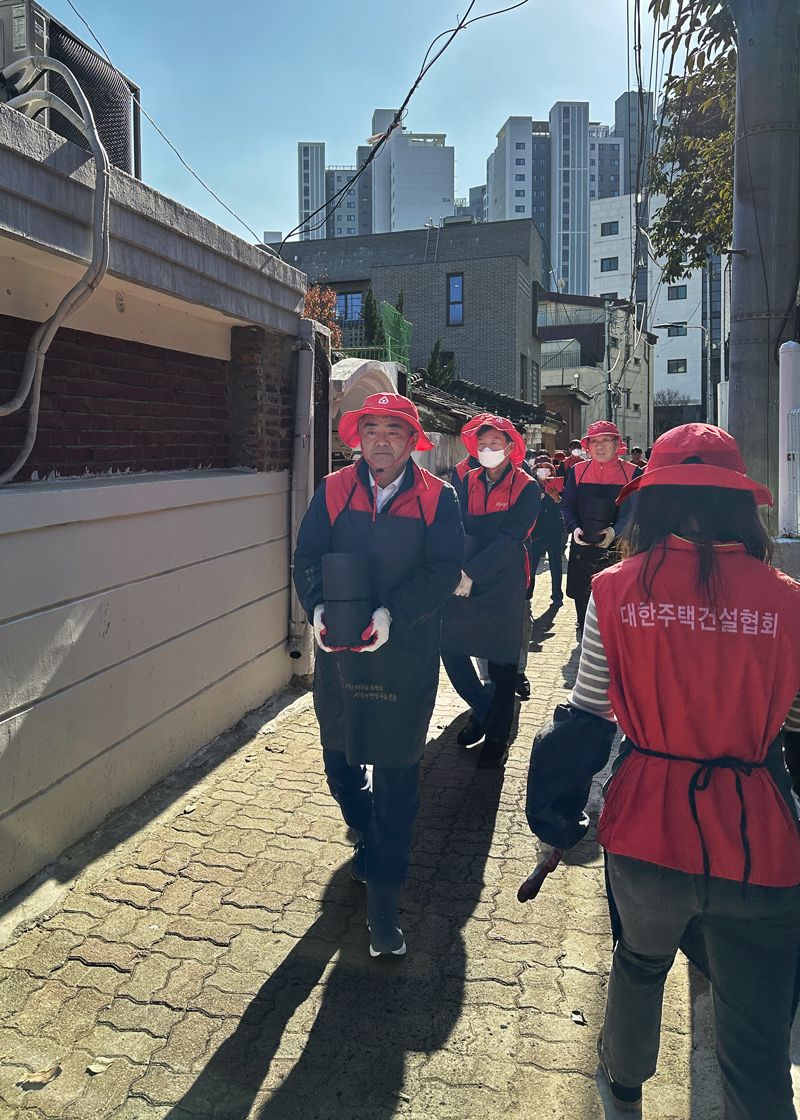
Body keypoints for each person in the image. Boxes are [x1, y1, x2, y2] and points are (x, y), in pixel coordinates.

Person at [523, 423, 800, 1118]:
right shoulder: (790, 602)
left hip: (646, 827)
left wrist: (557, 821)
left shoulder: (615, 591)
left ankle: (621, 1091)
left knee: (640, 966)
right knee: (756, 1031)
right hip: (758, 841)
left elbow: (585, 717)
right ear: (744, 506)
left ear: (653, 502)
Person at [293, 392, 464, 958]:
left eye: (395, 429)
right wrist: (316, 605)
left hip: (406, 655)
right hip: (341, 655)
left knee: (397, 783)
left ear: (414, 439)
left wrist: (393, 613)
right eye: (372, 429)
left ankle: (384, 908)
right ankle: (363, 829)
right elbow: (308, 556)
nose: (382, 439)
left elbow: (442, 571)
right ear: (357, 438)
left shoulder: (439, 498)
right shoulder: (333, 490)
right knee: (340, 765)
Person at [440, 415, 540, 769]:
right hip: (467, 574)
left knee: (501, 664)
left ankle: (497, 737)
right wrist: (457, 570)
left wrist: (473, 574)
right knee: (449, 646)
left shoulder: (527, 486)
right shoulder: (466, 480)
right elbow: (458, 526)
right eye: (482, 445)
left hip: (505, 578)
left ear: (511, 448)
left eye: (495, 444)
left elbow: (512, 537)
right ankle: (482, 709)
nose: (488, 450)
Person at [561, 420, 641, 635]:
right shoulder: (577, 471)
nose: (600, 446)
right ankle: (582, 630)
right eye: (594, 441)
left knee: (614, 596)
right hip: (581, 543)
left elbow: (634, 512)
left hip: (617, 547)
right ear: (588, 446)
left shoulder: (632, 473)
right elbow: (567, 505)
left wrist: (615, 531)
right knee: (581, 592)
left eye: (606, 440)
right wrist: (574, 528)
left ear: (617, 444)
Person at [528, 455, 565, 609]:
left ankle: (557, 595)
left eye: (547, 468)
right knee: (531, 565)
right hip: (536, 531)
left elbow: (566, 507)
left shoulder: (559, 485)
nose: (544, 471)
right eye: (540, 468)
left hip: (555, 529)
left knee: (556, 564)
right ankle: (527, 594)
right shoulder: (530, 486)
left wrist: (558, 499)